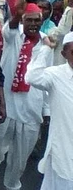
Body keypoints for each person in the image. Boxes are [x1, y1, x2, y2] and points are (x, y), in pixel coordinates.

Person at [0, 1, 53, 190]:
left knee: (20, 158)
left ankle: (11, 185)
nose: (33, 24)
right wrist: (16, 16)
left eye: (37, 20)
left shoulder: (46, 43)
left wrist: (46, 110)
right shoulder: (13, 34)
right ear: (23, 20)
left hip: (30, 110)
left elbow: (46, 78)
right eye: (29, 20)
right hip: (5, 105)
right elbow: (10, 29)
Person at [26, 31, 73, 189]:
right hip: (62, 154)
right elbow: (32, 77)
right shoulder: (56, 75)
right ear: (64, 53)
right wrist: (46, 49)